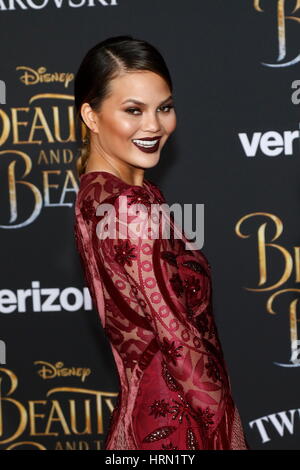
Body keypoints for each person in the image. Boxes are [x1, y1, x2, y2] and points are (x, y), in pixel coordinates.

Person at [73, 35, 250, 450]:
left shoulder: (97, 192)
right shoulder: (129, 206)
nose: (153, 126)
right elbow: (181, 346)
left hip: (145, 420)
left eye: (164, 108)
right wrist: (227, 437)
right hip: (181, 430)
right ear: (91, 116)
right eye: (133, 110)